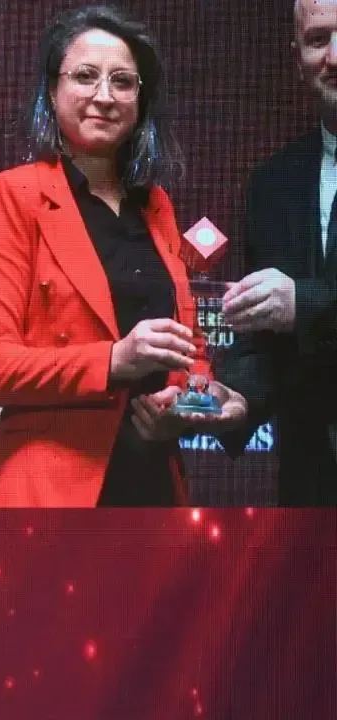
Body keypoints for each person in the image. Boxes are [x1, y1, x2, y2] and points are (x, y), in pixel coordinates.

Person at [0, 4, 247, 507]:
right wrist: (115, 360)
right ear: (53, 91)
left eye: (122, 81)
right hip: (51, 494)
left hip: (153, 482)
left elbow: (188, 349)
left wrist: (196, 398)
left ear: (140, 100)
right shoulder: (15, 194)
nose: (104, 96)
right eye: (85, 76)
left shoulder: (156, 205)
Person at [214, 0, 337, 506]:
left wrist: (303, 305)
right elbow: (263, 337)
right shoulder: (273, 182)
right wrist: (238, 398)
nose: (334, 56)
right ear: (297, 55)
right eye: (318, 39)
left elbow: (293, 310)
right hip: (310, 489)